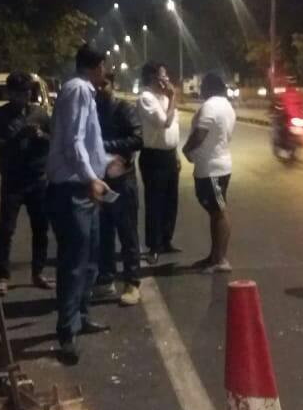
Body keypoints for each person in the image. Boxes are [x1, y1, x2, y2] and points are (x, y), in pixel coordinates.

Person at [45, 46, 124, 364]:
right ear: (97, 66)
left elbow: (86, 144)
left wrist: (105, 163)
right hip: (72, 191)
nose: (106, 71)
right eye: (105, 66)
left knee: (90, 259)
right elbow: (74, 142)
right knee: (74, 263)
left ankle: (82, 316)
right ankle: (66, 332)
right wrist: (92, 178)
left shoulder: (82, 91)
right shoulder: (78, 89)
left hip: (84, 189)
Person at [0, 71, 54, 295]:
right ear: (10, 93)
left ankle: (38, 272)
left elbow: (53, 141)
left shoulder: (40, 114)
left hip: (38, 179)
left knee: (41, 228)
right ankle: (4, 276)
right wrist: (19, 136)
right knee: (6, 229)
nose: (23, 97)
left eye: (26, 92)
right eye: (18, 93)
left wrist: (40, 136)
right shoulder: (0, 117)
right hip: (13, 181)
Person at [94, 72, 144, 306]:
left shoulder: (123, 109)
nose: (100, 88)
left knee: (127, 232)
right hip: (100, 179)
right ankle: (106, 278)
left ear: (113, 85)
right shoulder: (92, 108)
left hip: (122, 179)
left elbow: (137, 139)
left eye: (105, 84)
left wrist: (105, 147)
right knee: (103, 232)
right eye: (97, 84)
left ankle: (132, 282)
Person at [183, 74, 236, 274]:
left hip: (212, 170)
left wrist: (187, 150)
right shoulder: (226, 106)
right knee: (215, 212)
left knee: (219, 211)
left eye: (202, 86)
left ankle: (220, 259)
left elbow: (200, 133)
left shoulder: (211, 106)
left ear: (208, 87)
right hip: (217, 166)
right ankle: (214, 256)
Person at [136, 62, 181, 265]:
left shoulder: (164, 97)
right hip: (153, 156)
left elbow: (174, 129)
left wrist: (176, 154)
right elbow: (165, 123)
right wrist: (173, 99)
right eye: (162, 76)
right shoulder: (146, 99)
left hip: (169, 154)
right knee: (155, 202)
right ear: (152, 78)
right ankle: (153, 246)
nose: (167, 80)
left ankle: (166, 240)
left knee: (171, 201)